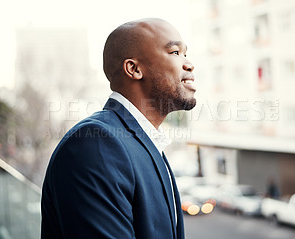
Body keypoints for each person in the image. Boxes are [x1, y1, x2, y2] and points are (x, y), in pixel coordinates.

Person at [41, 18, 196, 239]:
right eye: (174, 52)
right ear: (134, 69)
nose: (189, 63)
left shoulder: (146, 142)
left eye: (185, 53)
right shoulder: (95, 144)